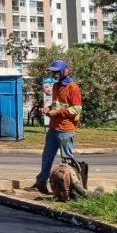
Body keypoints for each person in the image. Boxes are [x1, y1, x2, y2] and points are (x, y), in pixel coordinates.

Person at [27, 60, 82, 193]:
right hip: (53, 129)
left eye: (57, 71)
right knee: (47, 156)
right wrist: (48, 108)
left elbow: (77, 109)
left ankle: (74, 188)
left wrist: (57, 112)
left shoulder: (73, 88)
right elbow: (56, 105)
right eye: (53, 71)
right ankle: (41, 183)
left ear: (64, 71)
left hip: (66, 130)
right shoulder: (56, 86)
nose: (54, 74)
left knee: (67, 160)